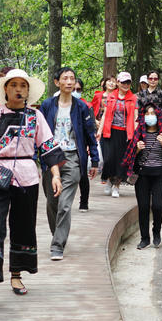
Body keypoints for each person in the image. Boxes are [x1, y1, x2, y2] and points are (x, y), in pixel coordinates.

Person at [0, 69, 64, 308]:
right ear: (5, 89)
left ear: (28, 91)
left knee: (23, 226)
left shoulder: (36, 116)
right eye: (14, 85)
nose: (19, 89)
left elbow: (49, 147)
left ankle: (16, 275)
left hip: (27, 176)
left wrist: (55, 175)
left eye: (23, 85)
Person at [38, 67, 99, 260]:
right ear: (57, 82)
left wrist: (94, 159)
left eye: (72, 78)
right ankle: (58, 233)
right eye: (65, 78)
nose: (70, 82)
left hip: (73, 157)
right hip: (50, 157)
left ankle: (57, 245)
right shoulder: (47, 105)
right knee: (52, 203)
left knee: (64, 204)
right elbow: (38, 132)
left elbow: (90, 134)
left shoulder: (81, 107)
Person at [124, 102, 162, 248]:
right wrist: (137, 149)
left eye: (153, 113)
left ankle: (156, 231)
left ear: (158, 116)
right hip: (142, 174)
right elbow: (130, 155)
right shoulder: (139, 132)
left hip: (160, 173)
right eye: (147, 114)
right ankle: (144, 238)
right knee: (143, 207)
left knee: (158, 206)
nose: (150, 116)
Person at [97, 71, 137, 198]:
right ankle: (109, 179)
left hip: (124, 133)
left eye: (128, 82)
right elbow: (105, 114)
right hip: (109, 131)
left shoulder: (133, 98)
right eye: (123, 82)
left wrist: (136, 134)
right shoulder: (111, 96)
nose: (126, 85)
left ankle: (116, 186)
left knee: (121, 161)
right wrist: (99, 131)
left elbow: (135, 117)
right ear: (118, 83)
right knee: (108, 159)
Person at [73, 78, 93, 211]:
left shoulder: (85, 106)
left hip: (81, 146)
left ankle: (84, 201)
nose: (75, 92)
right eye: (74, 89)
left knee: (82, 175)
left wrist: (90, 147)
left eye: (78, 89)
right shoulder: (56, 104)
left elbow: (89, 129)